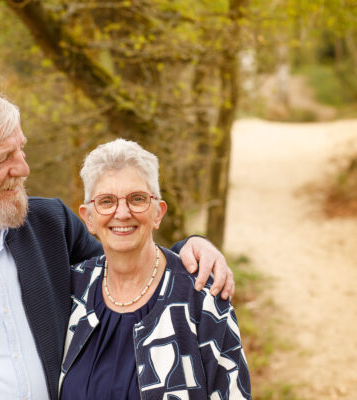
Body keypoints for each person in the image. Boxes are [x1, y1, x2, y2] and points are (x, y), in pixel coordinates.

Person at [0, 88, 236, 400]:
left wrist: (192, 245)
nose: (23, 168)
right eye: (3, 158)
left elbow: (127, 266)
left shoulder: (49, 225)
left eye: (20, 149)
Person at [60, 139, 250, 399]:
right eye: (106, 201)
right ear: (89, 218)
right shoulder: (71, 293)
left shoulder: (200, 296)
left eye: (137, 199)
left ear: (158, 213)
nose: (123, 213)